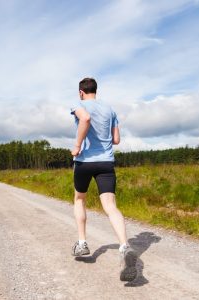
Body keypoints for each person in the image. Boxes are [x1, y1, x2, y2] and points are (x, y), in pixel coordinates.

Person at [70, 77, 135, 281]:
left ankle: (82, 243)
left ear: (81, 92)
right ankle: (124, 246)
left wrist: (78, 145)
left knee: (80, 199)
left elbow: (85, 119)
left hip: (84, 162)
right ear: (95, 91)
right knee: (110, 205)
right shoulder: (110, 110)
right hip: (106, 163)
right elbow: (116, 139)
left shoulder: (78, 105)